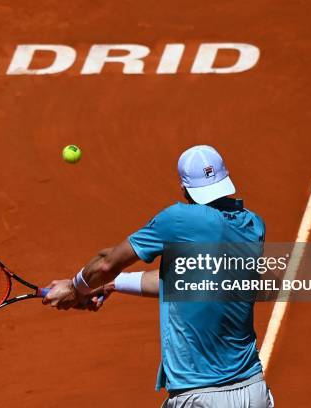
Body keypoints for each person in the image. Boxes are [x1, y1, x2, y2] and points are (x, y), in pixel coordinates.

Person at [43, 145, 274, 408]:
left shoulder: (178, 219)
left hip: (199, 395)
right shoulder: (253, 225)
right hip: (253, 390)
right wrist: (113, 285)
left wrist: (75, 288)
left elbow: (107, 262)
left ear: (185, 189)